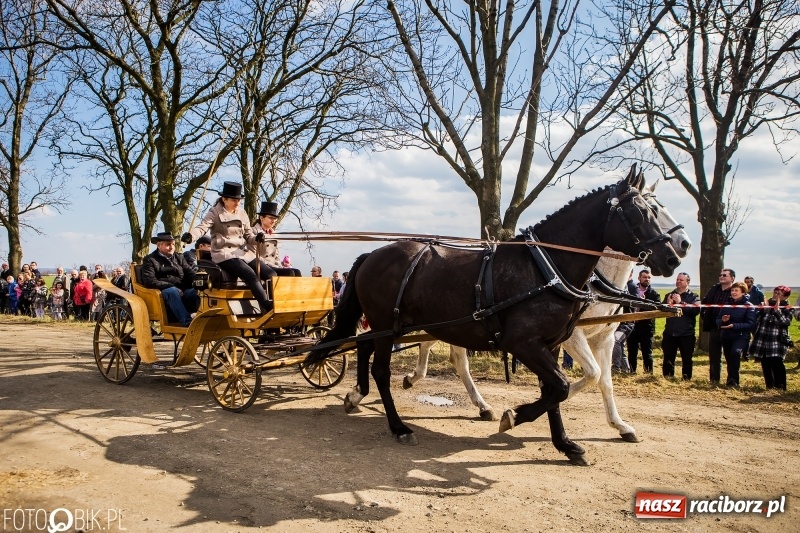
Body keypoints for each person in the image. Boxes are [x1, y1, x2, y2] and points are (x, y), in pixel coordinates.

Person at [183, 181, 273, 313]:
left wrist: (257, 239)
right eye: (234, 200)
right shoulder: (214, 212)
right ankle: (268, 307)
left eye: (239, 200)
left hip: (241, 253)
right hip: (224, 253)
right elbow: (202, 227)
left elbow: (249, 236)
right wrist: (191, 236)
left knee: (271, 274)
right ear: (224, 199)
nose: (237, 203)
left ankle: (277, 303)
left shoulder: (242, 213)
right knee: (251, 275)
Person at [142, 232, 199, 326]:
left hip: (184, 291)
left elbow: (190, 272)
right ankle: (188, 323)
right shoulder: (150, 260)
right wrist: (170, 286)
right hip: (163, 293)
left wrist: (199, 281)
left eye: (173, 244)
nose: (172, 247)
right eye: (168, 244)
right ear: (159, 245)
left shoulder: (179, 257)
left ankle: (200, 318)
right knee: (172, 291)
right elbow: (150, 281)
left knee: (199, 291)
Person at [749, 286, 793, 390]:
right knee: (765, 364)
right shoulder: (767, 304)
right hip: (763, 338)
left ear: (785, 297)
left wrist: (777, 311)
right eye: (775, 292)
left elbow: (786, 322)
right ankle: (770, 386)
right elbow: (758, 319)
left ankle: (781, 387)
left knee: (777, 363)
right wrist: (762, 310)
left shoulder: (787, 307)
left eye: (779, 294)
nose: (775, 295)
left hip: (777, 340)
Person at [716, 281, 756, 388]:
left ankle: (734, 380)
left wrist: (734, 326)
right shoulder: (726, 304)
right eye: (732, 290)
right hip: (726, 335)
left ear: (743, 292)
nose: (733, 292)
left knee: (735, 353)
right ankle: (731, 380)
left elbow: (751, 324)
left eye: (736, 290)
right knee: (729, 358)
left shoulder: (748, 306)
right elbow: (718, 320)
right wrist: (723, 321)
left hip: (741, 336)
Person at [661, 272, 700, 380]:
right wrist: (667, 305)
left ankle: (686, 378)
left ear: (687, 282)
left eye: (681, 280)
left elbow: (695, 311)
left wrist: (680, 302)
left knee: (687, 358)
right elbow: (661, 311)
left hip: (686, 333)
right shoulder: (669, 295)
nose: (678, 281)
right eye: (677, 279)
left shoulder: (693, 296)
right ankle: (668, 377)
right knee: (668, 357)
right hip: (670, 332)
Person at [702, 268, 735, 384]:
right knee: (714, 357)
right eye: (720, 275)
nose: (721, 277)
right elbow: (705, 303)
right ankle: (714, 380)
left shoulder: (735, 291)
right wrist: (704, 316)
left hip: (729, 329)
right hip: (714, 328)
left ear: (732, 278)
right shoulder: (714, 289)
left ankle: (732, 381)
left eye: (725, 275)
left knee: (730, 356)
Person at [252, 201, 301, 276]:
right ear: (262, 218)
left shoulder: (274, 235)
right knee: (289, 273)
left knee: (297, 272)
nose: (273, 221)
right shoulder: (253, 231)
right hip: (261, 265)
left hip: (273, 265)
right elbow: (253, 253)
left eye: (275, 218)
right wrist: (270, 264)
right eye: (271, 218)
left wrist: (279, 266)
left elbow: (276, 256)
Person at [626, 269, 660, 374]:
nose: (647, 279)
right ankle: (632, 371)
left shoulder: (654, 294)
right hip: (632, 326)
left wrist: (644, 303)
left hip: (646, 327)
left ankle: (648, 373)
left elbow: (657, 309)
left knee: (647, 352)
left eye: (649, 277)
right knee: (632, 352)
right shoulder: (632, 290)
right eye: (644, 277)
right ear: (639, 278)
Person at [741, 276, 765, 361]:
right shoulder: (742, 292)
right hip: (744, 317)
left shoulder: (759, 293)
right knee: (745, 337)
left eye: (749, 282)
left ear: (752, 282)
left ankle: (757, 356)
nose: (747, 283)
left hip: (756, 317)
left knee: (756, 337)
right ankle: (745, 355)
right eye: (746, 281)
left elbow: (763, 304)